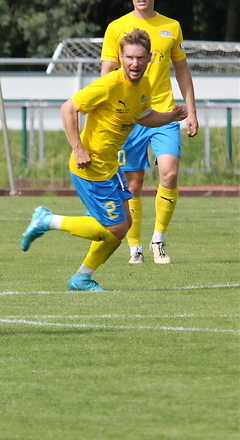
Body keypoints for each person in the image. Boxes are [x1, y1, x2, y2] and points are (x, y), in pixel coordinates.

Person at [22, 29, 188, 291]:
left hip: (110, 167)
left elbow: (143, 116)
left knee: (124, 225)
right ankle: (47, 220)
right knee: (115, 228)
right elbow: (68, 108)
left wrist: (170, 116)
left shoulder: (144, 85)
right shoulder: (109, 84)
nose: (135, 63)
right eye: (129, 57)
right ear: (120, 57)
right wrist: (78, 149)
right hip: (90, 167)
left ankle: (82, 278)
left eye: (140, 58)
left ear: (149, 58)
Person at [99, 0, 198, 265]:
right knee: (134, 185)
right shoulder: (116, 27)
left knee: (169, 173)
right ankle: (135, 248)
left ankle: (158, 240)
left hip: (164, 112)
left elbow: (182, 71)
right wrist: (105, 111)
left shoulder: (171, 27)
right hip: (128, 115)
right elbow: (106, 73)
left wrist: (191, 112)